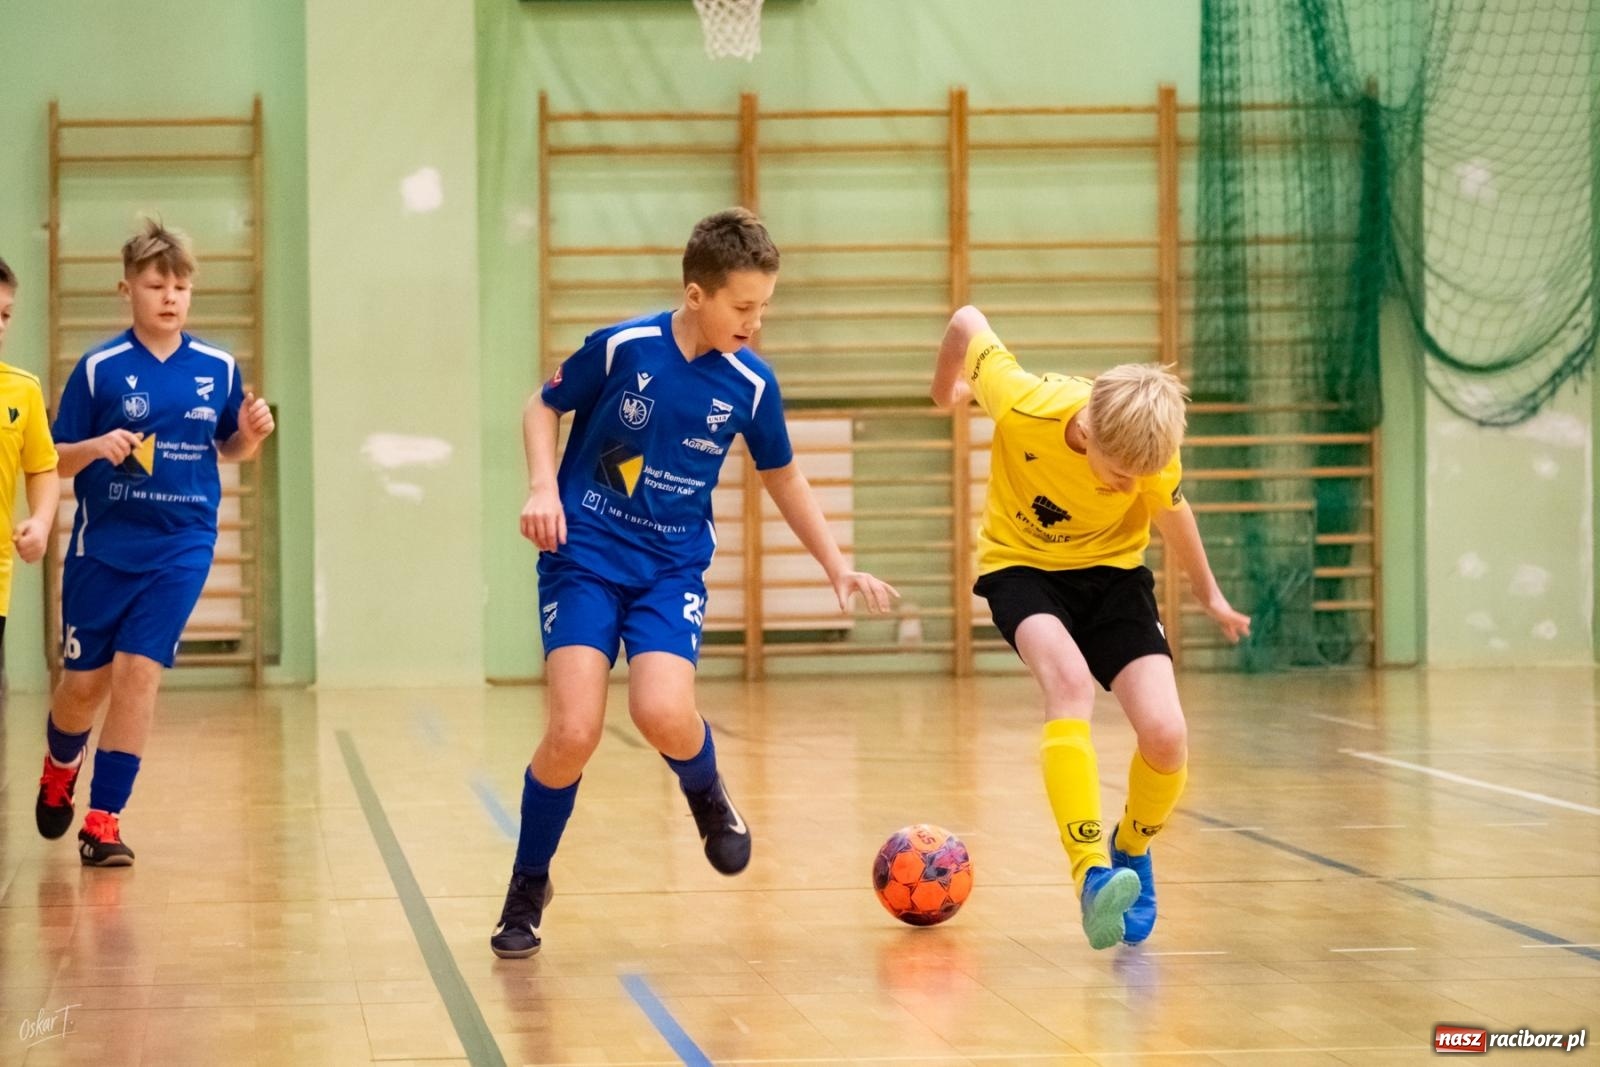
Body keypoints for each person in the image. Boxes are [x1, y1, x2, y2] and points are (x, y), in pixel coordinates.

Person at [493, 207, 899, 958]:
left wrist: (836, 563)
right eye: (743, 307)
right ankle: (529, 881)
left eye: (764, 307)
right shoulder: (626, 348)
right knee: (573, 731)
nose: (755, 322)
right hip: (585, 557)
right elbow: (541, 406)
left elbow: (783, 475)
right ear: (695, 295)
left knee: (660, 710)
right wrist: (543, 487)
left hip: (669, 568)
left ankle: (706, 791)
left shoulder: (750, 384)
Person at [930, 305, 1250, 949]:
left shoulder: (1152, 454)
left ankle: (1131, 849)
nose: (1130, 487)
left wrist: (1209, 593)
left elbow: (1174, 516)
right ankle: (1091, 875)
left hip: (1113, 576)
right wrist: (946, 392)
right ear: (1089, 431)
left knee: (1167, 734)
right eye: (1120, 474)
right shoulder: (1024, 403)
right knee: (1070, 685)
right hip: (1022, 567)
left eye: (1140, 478)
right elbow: (966, 320)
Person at [35, 220, 276, 866]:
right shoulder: (99, 370)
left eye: (181, 286)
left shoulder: (217, 368)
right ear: (127, 289)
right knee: (83, 685)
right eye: (156, 285)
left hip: (182, 545)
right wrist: (95, 447)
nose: (170, 297)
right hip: (104, 547)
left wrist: (251, 434)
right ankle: (60, 764)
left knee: (138, 672)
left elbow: (230, 448)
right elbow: (53, 459)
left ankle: (104, 820)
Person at [0, 256, 62, 659]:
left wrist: (40, 521)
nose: (0, 325)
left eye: (6, 314)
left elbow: (43, 467)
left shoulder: (23, 390)